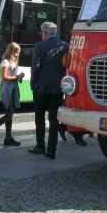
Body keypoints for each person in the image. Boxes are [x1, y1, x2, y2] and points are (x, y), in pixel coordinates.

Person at [29, 21, 69, 159]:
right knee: (54, 120)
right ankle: (51, 150)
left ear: (44, 33)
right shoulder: (65, 46)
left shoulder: (39, 46)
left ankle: (40, 145)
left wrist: (33, 83)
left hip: (41, 88)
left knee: (39, 118)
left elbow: (35, 68)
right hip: (58, 89)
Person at [0, 42, 24, 147]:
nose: (17, 55)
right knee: (9, 113)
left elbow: (13, 77)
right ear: (10, 52)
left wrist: (19, 78)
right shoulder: (5, 62)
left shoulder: (13, 62)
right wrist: (17, 77)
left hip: (13, 88)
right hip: (7, 89)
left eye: (18, 53)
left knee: (10, 114)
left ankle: (8, 137)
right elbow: (4, 77)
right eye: (15, 52)